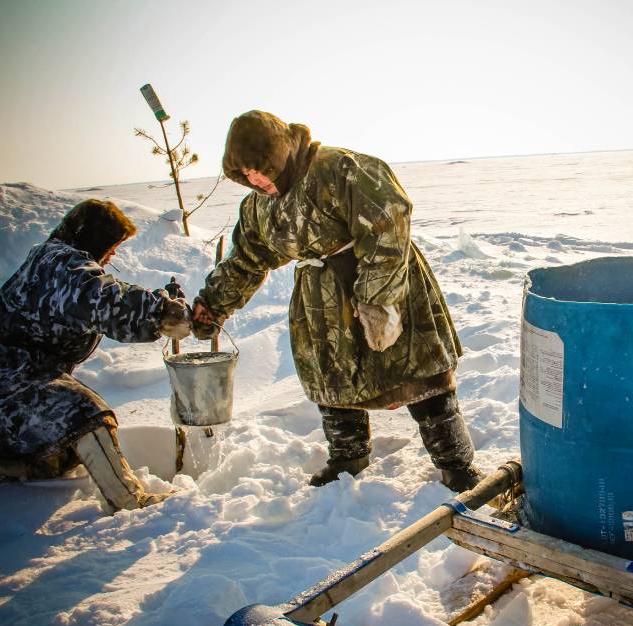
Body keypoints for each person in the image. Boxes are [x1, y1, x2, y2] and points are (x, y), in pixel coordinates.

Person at [192, 110, 483, 492]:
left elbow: (387, 224)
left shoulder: (341, 168)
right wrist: (214, 304)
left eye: (259, 169)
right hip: (321, 299)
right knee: (332, 376)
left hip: (380, 280)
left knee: (416, 372)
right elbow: (248, 258)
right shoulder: (258, 205)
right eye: (244, 175)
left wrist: (378, 301)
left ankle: (456, 465)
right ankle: (348, 456)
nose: (256, 180)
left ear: (278, 152)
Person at [0, 200, 193, 511]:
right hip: (15, 382)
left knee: (59, 452)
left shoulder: (50, 259)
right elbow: (108, 301)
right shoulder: (64, 264)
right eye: (112, 246)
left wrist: (159, 300)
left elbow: (103, 290)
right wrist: (164, 312)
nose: (113, 254)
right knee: (85, 415)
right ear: (94, 237)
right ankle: (130, 500)